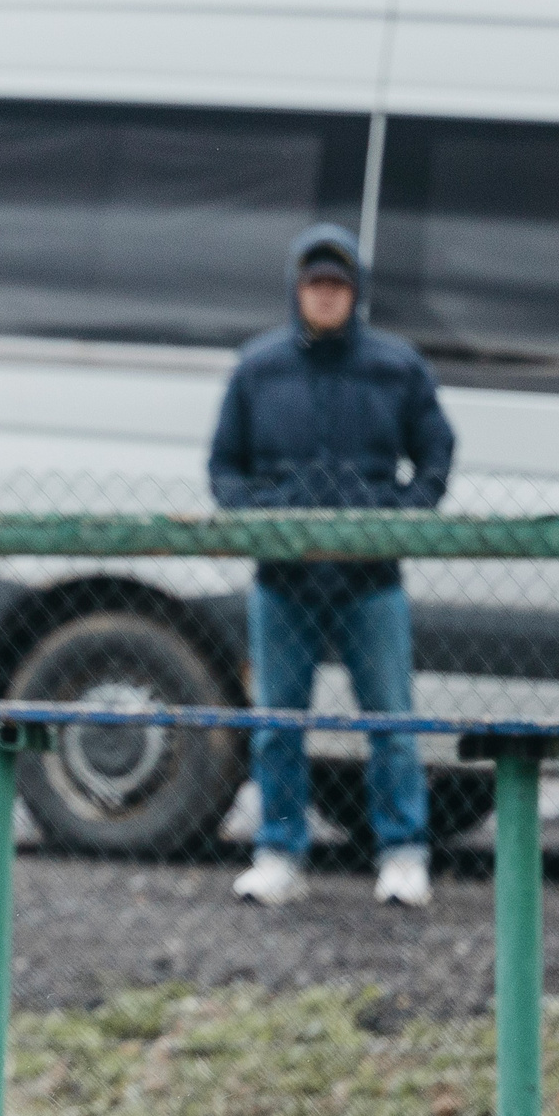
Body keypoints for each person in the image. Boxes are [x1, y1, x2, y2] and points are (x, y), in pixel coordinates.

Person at [210, 223, 456, 909]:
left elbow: (437, 451)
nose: (326, 296)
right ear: (298, 289)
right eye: (316, 284)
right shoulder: (258, 368)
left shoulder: (397, 367)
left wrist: (400, 515)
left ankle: (403, 852)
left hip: (369, 578)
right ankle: (280, 850)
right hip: (282, 579)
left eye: (338, 285)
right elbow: (223, 466)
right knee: (278, 725)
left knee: (393, 724)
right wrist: (259, 520)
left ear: (356, 293)